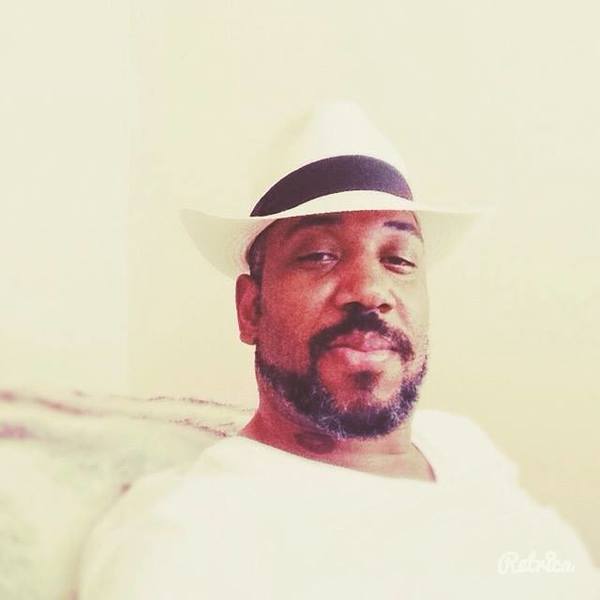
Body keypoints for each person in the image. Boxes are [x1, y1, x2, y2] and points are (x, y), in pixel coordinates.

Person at [78, 102, 599, 599]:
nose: (370, 290)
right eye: (320, 255)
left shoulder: (463, 448)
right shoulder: (188, 537)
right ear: (251, 308)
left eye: (399, 259)